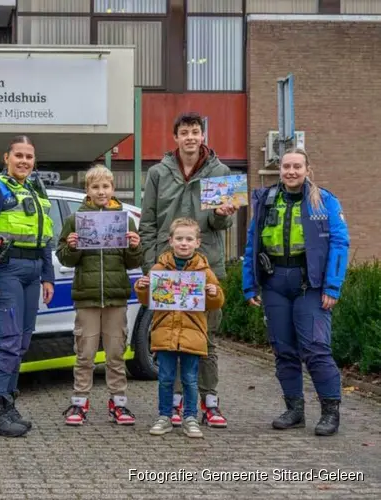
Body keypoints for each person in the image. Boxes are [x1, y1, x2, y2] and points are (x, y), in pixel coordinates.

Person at [138, 111, 237, 428]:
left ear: (203, 135)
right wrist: (151, 264)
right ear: (176, 137)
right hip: (167, 269)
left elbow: (223, 224)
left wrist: (223, 213)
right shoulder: (158, 173)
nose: (191, 137)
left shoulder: (219, 171)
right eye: (185, 132)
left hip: (205, 265)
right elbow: (148, 223)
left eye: (196, 131)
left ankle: (210, 403)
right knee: (171, 339)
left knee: (205, 339)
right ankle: (178, 405)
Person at [242, 147, 349, 436]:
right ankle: (294, 410)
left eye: (297, 167)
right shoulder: (266, 200)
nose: (291, 171)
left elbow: (340, 244)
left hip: (311, 285)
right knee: (283, 350)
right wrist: (249, 283)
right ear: (280, 169)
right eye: (286, 166)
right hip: (275, 282)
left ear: (307, 169)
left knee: (316, 349)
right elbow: (252, 243)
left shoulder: (324, 200)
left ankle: (330, 412)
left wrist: (333, 285)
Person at [0, 135, 56, 438]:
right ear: (5, 158)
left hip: (32, 273)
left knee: (21, 343)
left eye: (29, 156)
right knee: (7, 342)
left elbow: (45, 237)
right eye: (18, 155)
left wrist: (47, 276)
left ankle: (8, 404)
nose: (24, 161)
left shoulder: (34, 191)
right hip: (5, 272)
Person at [55, 164, 144, 426]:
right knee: (85, 353)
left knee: (116, 353)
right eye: (95, 187)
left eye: (105, 186)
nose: (101, 191)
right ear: (88, 190)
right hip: (87, 297)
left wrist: (135, 246)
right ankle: (79, 402)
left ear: (113, 189)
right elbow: (65, 258)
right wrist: (71, 247)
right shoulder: (76, 219)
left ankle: (119, 404)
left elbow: (132, 261)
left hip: (116, 297)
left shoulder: (124, 219)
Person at [135, 217, 225, 438]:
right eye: (179, 239)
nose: (184, 243)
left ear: (197, 242)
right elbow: (149, 300)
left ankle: (191, 417)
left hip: (192, 335)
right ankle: (164, 416)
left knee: (190, 378)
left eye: (189, 239)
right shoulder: (159, 267)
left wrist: (213, 294)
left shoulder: (204, 270)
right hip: (164, 333)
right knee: (165, 378)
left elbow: (217, 301)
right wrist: (141, 287)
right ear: (171, 241)